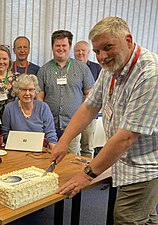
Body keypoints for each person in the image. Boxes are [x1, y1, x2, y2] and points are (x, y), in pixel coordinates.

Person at [51, 17, 158, 224]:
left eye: (108, 47)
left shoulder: (150, 74)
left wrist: (86, 175)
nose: (102, 56)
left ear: (128, 40)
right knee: (146, 217)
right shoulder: (112, 68)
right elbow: (89, 107)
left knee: (127, 218)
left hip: (144, 165)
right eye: (97, 51)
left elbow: (126, 137)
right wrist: (64, 141)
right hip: (124, 161)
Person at [36, 30, 95, 155]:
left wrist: (81, 114)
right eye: (57, 45)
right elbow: (39, 97)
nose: (61, 48)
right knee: (49, 158)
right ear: (52, 47)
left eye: (64, 45)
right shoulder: (43, 70)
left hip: (73, 125)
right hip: (50, 125)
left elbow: (89, 94)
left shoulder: (82, 68)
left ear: (69, 47)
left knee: (71, 159)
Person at [1, 74, 57, 149]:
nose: (27, 93)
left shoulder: (43, 107)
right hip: (16, 149)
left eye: (31, 90)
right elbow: (5, 133)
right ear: (18, 91)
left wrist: (53, 147)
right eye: (23, 89)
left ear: (35, 91)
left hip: (40, 150)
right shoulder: (9, 108)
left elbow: (50, 133)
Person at [74, 40, 102, 158]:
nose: (80, 53)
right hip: (73, 114)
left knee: (88, 147)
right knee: (73, 147)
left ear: (89, 52)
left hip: (90, 114)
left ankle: (86, 172)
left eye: (83, 50)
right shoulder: (70, 67)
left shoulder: (97, 68)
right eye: (77, 51)